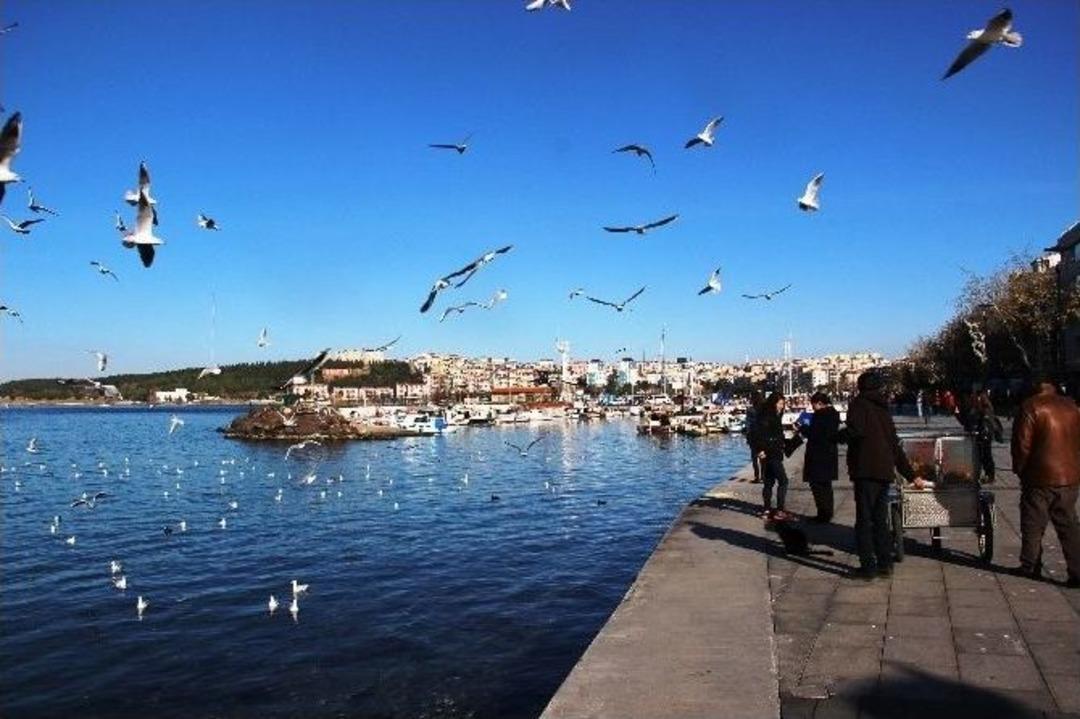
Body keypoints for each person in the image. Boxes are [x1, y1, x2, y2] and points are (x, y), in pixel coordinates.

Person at [846, 371, 926, 579]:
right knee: (880, 520)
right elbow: (894, 444)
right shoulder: (883, 409)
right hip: (884, 471)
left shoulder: (858, 405)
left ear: (860, 386)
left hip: (865, 469)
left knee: (864, 520)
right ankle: (885, 563)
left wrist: (836, 436)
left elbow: (856, 432)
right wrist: (910, 475)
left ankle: (868, 567)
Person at [1011, 376, 1080, 588]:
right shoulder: (1071, 406)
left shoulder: (1031, 406)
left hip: (1039, 477)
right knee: (1069, 525)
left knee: (1033, 523)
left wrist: (1021, 470)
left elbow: (1022, 445)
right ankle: (1077, 571)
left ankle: (1030, 566)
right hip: (1069, 476)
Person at [750, 392, 800, 520]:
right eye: (780, 403)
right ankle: (779, 511)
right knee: (783, 481)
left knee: (769, 482)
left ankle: (767, 510)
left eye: (783, 404)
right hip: (771, 453)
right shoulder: (768, 417)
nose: (782, 406)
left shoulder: (768, 415)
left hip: (769, 453)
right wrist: (760, 449)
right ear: (774, 403)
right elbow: (757, 435)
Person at [799, 392, 843, 523]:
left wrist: (803, 428)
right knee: (826, 486)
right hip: (828, 454)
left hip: (818, 455)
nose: (812, 408)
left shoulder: (821, 416)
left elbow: (815, 434)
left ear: (819, 403)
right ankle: (827, 513)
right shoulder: (832, 415)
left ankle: (823, 514)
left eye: (813, 405)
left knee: (818, 486)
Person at [967, 390, 1004, 482]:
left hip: (985, 435)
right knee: (984, 455)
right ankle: (987, 474)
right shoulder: (981, 409)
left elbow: (986, 422)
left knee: (986, 455)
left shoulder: (985, 410)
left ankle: (989, 475)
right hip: (983, 435)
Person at [744, 391, 764, 483]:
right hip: (763, 436)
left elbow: (748, 424)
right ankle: (763, 476)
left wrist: (747, 436)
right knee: (763, 457)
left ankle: (757, 476)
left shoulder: (750, 410)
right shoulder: (764, 409)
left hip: (753, 436)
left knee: (754, 457)